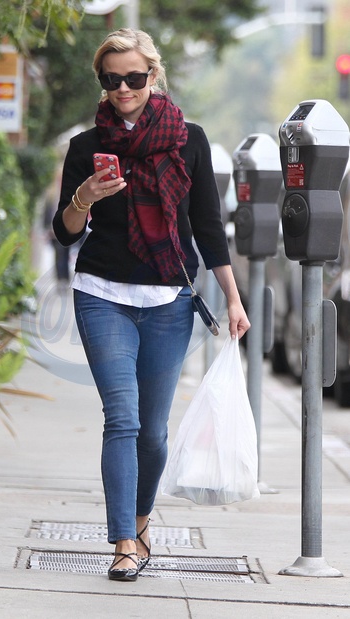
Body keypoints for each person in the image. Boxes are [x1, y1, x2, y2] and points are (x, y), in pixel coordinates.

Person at [53, 28, 250, 582]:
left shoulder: (189, 140)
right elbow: (66, 233)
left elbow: (207, 228)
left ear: (153, 76)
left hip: (169, 300)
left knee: (152, 432)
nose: (123, 88)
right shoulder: (85, 147)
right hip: (102, 294)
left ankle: (141, 522)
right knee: (122, 417)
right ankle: (122, 543)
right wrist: (84, 198)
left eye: (134, 77)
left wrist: (232, 299)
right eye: (111, 79)